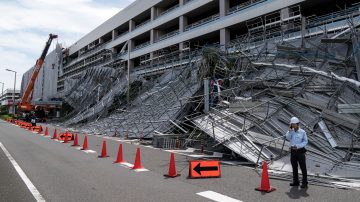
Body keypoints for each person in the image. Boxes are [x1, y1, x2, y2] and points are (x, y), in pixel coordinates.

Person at [286, 117, 308, 188]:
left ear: (297, 124)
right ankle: (296, 181)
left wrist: (298, 146)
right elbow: (288, 138)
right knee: (294, 167)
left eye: (294, 124)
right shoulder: (290, 131)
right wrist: (289, 131)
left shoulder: (302, 132)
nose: (293, 125)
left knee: (303, 167)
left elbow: (305, 141)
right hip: (293, 151)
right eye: (292, 124)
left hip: (300, 151)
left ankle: (305, 182)